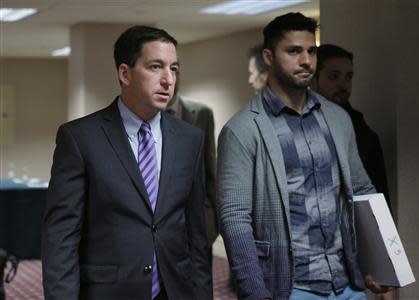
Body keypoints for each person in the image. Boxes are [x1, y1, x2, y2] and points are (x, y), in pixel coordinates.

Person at [218, 12, 392, 300]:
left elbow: (362, 192)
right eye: (294, 51)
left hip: (347, 284)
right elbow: (235, 219)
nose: (306, 61)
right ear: (269, 56)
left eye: (311, 51)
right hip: (292, 288)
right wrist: (254, 292)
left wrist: (381, 265)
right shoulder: (242, 130)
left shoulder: (337, 118)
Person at [42, 25, 212, 300]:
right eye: (156, 67)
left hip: (175, 289)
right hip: (109, 291)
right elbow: (61, 236)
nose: (168, 80)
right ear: (125, 73)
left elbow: (196, 233)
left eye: (174, 69)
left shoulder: (190, 139)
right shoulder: (80, 138)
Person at [310, 44, 390, 207]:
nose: (343, 85)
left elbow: (376, 194)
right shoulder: (295, 122)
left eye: (349, 77)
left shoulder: (362, 132)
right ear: (313, 79)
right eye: (334, 76)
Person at [166, 83, 219, 249]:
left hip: (198, 220)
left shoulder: (202, 114)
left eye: (174, 69)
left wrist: (214, 220)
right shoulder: (143, 117)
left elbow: (211, 168)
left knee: (200, 272)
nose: (169, 77)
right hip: (162, 224)